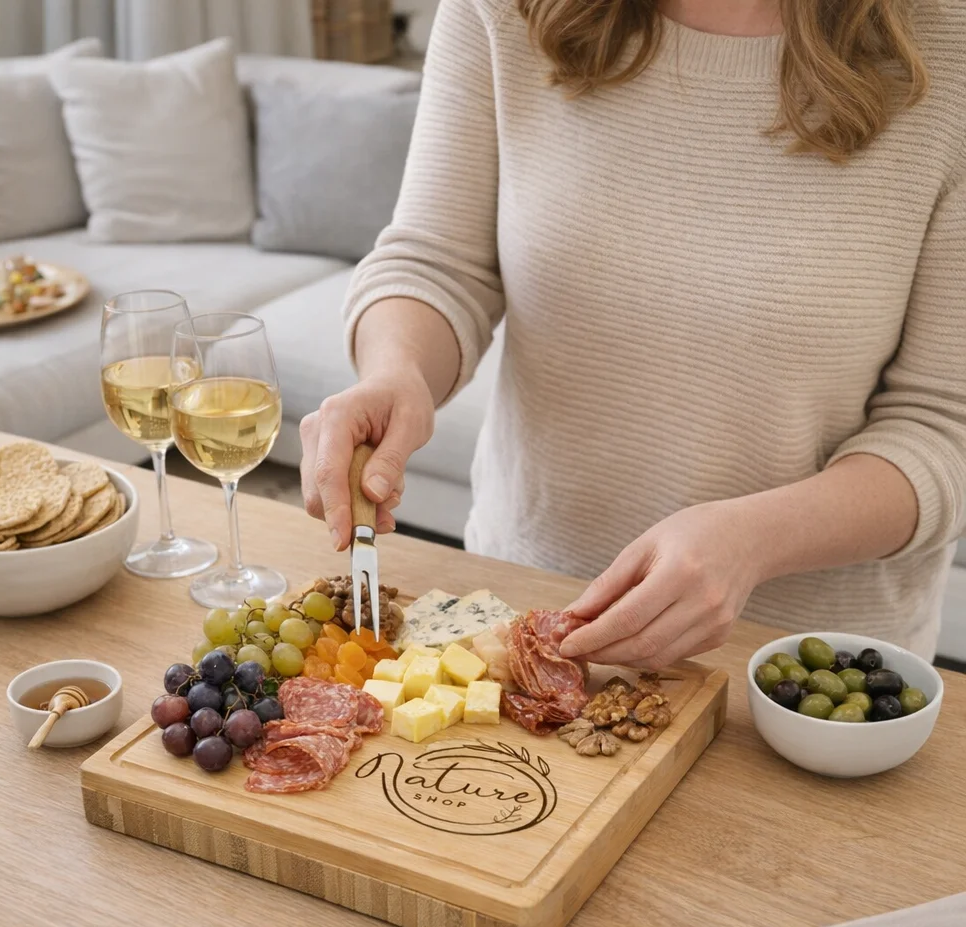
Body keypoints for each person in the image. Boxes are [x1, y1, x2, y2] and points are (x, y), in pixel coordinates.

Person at [300, 0, 965, 666]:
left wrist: (754, 540)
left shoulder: (949, 45)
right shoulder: (500, 10)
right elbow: (439, 262)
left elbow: (944, 426)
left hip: (804, 675)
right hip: (519, 613)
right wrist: (398, 370)